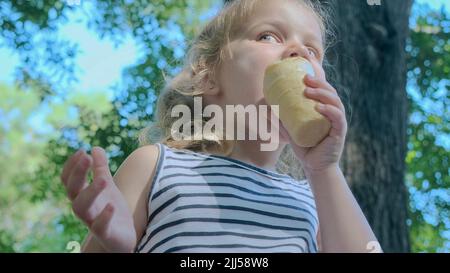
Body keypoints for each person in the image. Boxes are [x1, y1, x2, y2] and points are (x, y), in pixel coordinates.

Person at [60, 0, 380, 253]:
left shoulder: (314, 196)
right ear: (208, 76)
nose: (299, 52)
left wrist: (325, 170)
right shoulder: (157, 164)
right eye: (268, 35)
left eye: (313, 51)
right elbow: (110, 239)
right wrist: (113, 246)